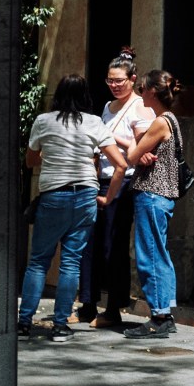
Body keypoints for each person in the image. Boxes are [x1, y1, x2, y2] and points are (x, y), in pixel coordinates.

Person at [21, 74, 130, 342]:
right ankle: (60, 326)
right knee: (71, 263)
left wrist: (53, 152)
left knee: (38, 262)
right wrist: (109, 197)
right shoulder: (94, 122)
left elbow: (30, 160)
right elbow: (121, 165)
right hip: (85, 197)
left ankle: (24, 323)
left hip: (53, 196)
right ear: (85, 95)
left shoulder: (43, 121)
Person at [74, 47, 155, 330]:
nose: (114, 85)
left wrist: (110, 139)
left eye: (119, 80)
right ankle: (87, 304)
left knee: (113, 246)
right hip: (101, 178)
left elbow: (141, 149)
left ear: (132, 78)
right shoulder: (107, 107)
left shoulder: (139, 107)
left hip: (125, 182)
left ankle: (113, 308)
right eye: (110, 80)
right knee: (89, 244)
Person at [102, 69, 184, 340]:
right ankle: (164, 314)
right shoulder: (170, 120)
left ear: (151, 92)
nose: (141, 94)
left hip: (151, 195)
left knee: (149, 255)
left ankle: (159, 316)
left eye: (144, 89)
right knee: (159, 254)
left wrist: (118, 141)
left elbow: (134, 156)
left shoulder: (160, 122)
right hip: (160, 197)